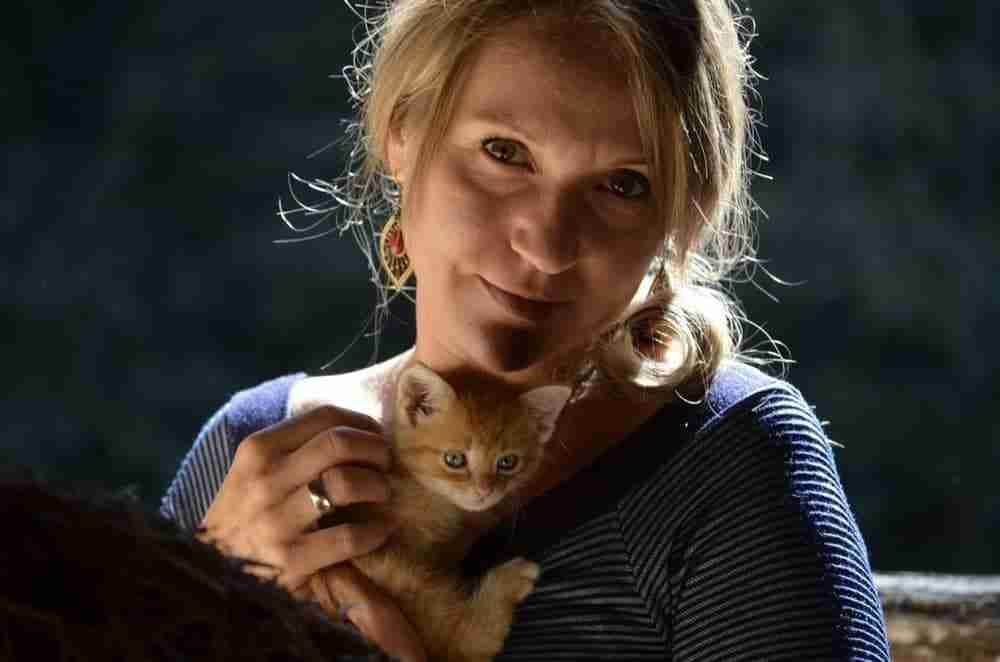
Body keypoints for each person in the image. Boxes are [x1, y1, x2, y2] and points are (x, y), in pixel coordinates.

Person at [161, 1, 892, 660]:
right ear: (401, 133)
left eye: (621, 185)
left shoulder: (726, 462)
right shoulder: (245, 458)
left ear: (681, 215)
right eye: (505, 153)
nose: (546, 245)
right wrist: (203, 594)